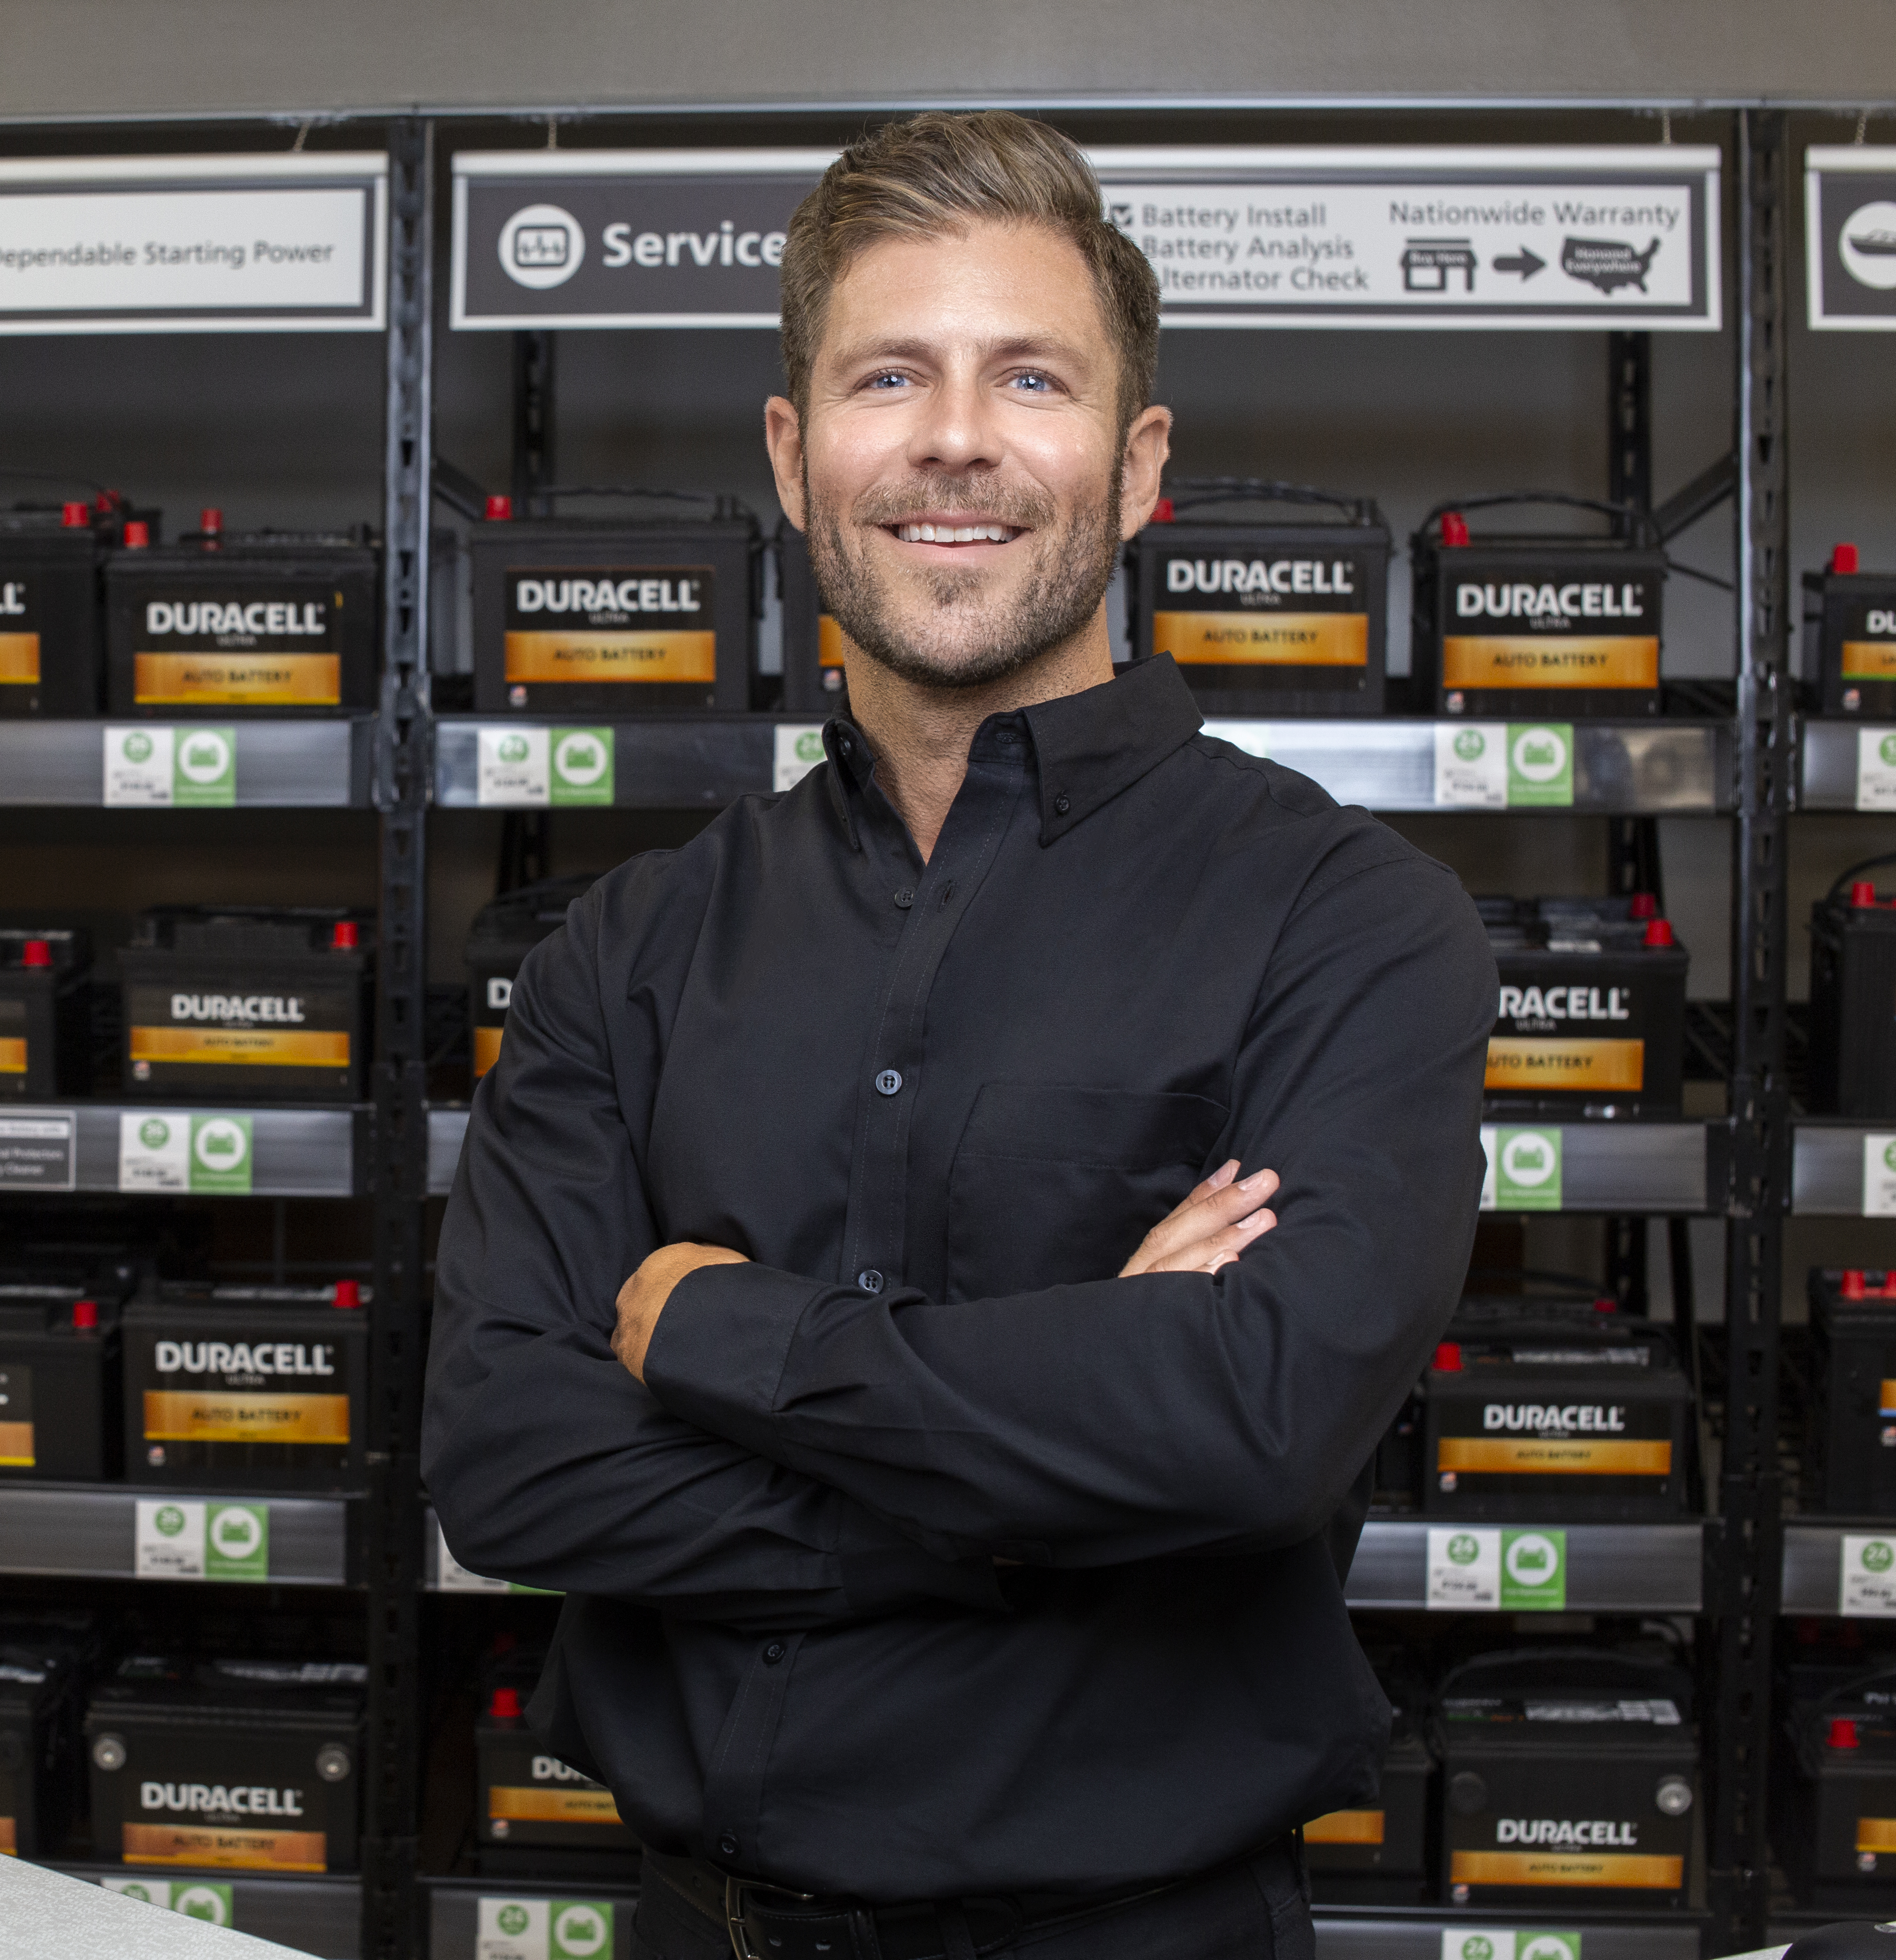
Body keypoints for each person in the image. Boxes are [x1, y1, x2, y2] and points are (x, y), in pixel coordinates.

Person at [423, 111, 1495, 1960]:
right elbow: (511, 1454)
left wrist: (714, 1327)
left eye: (1032, 378)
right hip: (691, 1924)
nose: (954, 438)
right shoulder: (632, 943)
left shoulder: (1347, 921)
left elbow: (1249, 1432)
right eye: (889, 376)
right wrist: (1055, 1493)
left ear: (1138, 462)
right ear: (793, 451)